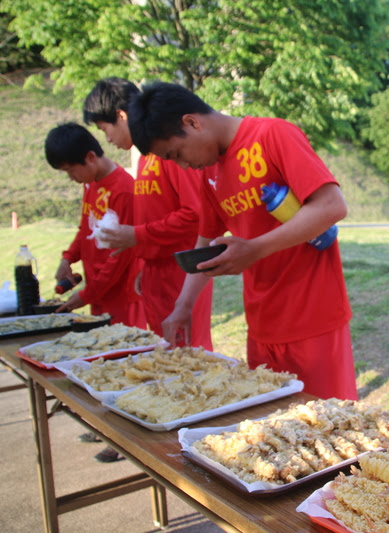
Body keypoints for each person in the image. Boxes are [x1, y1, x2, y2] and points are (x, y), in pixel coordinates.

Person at [126, 82, 357, 401]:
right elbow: (205, 242)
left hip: (312, 319)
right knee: (274, 429)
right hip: (261, 324)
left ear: (191, 122)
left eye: (177, 154)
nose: (182, 166)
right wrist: (182, 307)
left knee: (332, 426)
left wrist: (255, 249)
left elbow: (332, 205)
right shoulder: (208, 173)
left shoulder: (273, 135)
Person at [82, 77, 214, 350]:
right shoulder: (145, 157)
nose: (107, 138)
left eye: (105, 128)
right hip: (156, 271)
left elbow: (196, 214)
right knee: (165, 354)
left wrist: (136, 235)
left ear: (121, 115)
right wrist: (144, 260)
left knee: (188, 357)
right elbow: (156, 214)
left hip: (182, 272)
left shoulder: (170, 148)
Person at [44, 122, 146, 329]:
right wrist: (68, 258)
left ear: (90, 157)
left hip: (122, 296)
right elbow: (85, 228)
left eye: (71, 171)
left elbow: (121, 255)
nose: (72, 178)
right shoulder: (90, 182)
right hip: (98, 290)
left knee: (127, 353)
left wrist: (86, 295)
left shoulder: (124, 190)